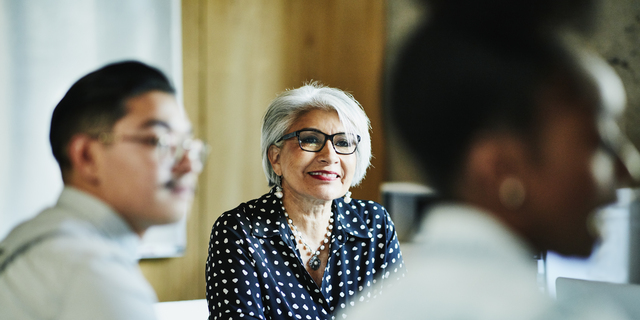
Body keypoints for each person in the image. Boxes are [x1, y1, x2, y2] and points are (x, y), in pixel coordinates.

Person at [349, 13, 635, 320]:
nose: (628, 172)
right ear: (501, 169)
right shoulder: (552, 314)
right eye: (599, 143)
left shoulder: (372, 310)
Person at [0, 61, 206, 320]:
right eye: (159, 141)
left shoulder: (30, 239)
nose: (189, 163)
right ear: (87, 157)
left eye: (188, 143)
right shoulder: (93, 271)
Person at [205, 83, 405, 319]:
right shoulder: (239, 231)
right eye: (310, 139)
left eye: (343, 142)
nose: (330, 156)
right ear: (276, 157)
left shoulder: (374, 224)